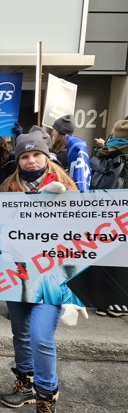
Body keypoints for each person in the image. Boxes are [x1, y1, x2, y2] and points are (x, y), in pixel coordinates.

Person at [0, 132, 78, 413]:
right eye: (24, 156)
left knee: (41, 335)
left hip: (52, 276)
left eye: (35, 155)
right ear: (18, 160)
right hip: (17, 275)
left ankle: (46, 400)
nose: (30, 160)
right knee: (19, 331)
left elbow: (81, 233)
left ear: (47, 157)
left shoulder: (67, 187)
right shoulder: (8, 188)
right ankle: (25, 382)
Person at [91, 118, 128, 316]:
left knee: (103, 255)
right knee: (122, 259)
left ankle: (101, 303)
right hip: (124, 213)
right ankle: (118, 304)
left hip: (102, 212)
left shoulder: (102, 153)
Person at [51, 114, 91, 190]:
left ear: (60, 132)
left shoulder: (62, 154)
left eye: (54, 129)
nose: (52, 133)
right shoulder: (75, 149)